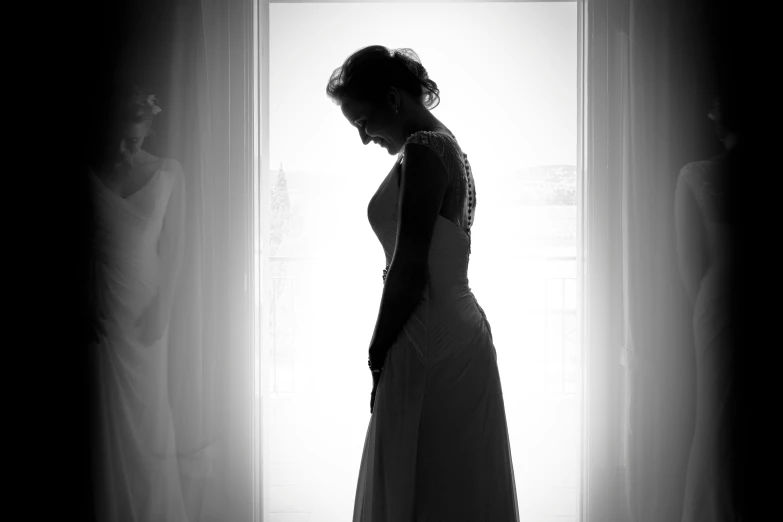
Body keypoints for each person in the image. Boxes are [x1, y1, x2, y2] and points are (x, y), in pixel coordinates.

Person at [327, 45, 520, 521]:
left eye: (363, 120)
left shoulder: (424, 150)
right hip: (458, 328)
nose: (363, 137)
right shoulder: (446, 145)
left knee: (419, 472)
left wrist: (376, 351)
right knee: (449, 477)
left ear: (393, 99)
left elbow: (409, 268)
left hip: (427, 332)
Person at [89, 82, 188, 522]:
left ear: (149, 128)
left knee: (150, 414)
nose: (128, 146)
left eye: (137, 137)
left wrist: (166, 303)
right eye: (121, 136)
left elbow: (178, 246)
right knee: (107, 418)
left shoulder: (169, 171)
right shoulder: (88, 171)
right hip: (105, 300)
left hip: (147, 300)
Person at [675, 91, 740, 522]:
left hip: (718, 299)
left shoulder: (696, 175)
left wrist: (703, 305)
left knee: (714, 419)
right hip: (720, 299)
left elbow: (688, 264)